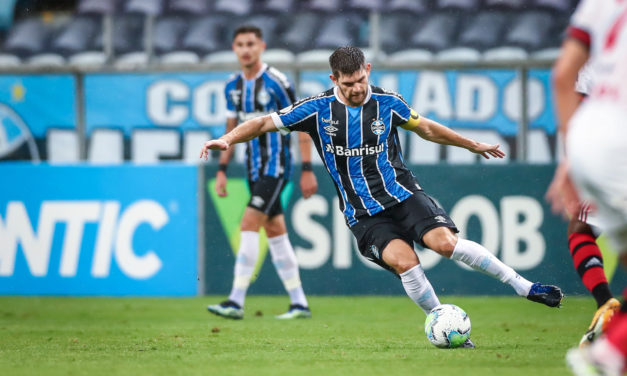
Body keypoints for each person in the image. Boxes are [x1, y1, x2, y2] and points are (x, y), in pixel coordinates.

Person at [201, 46, 564, 346]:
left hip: (403, 195)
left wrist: (470, 144)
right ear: (334, 80)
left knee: (444, 244)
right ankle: (444, 325)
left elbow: (425, 128)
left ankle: (524, 286)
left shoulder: (388, 103)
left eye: (360, 80)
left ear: (368, 70)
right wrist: (228, 139)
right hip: (363, 214)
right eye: (348, 84)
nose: (356, 88)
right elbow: (264, 122)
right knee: (406, 263)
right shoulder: (317, 108)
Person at [207, 25, 318, 320]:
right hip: (253, 169)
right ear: (234, 48)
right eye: (240, 44)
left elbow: (302, 125)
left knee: (248, 222)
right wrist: (221, 170)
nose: (245, 49)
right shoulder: (232, 87)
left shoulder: (277, 82)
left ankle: (235, 300)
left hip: (276, 167)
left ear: (261, 47)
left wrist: (307, 169)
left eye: (251, 44)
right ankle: (299, 303)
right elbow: (230, 132)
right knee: (275, 232)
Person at [546, 0, 627, 373]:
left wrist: (569, 158)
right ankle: (611, 348)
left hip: (590, 141)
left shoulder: (599, 5)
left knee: (581, 229)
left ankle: (610, 342)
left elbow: (563, 77)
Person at [566, 66, 620, 348]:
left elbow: (579, 106)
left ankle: (606, 304)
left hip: (612, 153)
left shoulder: (595, 56)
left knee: (581, 229)